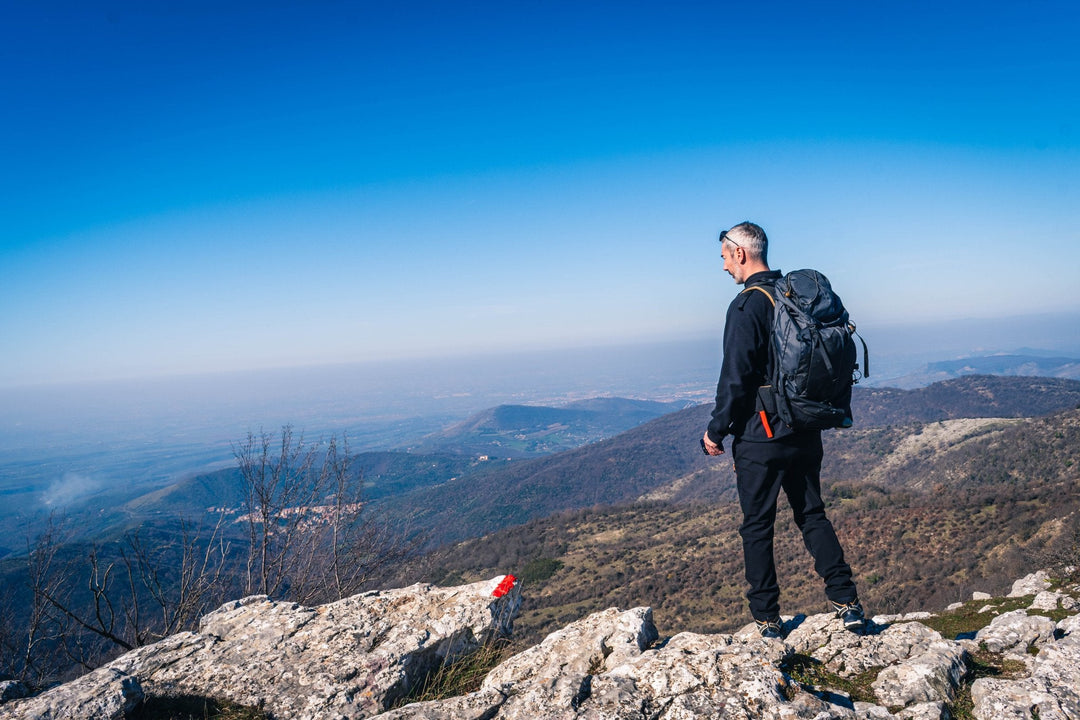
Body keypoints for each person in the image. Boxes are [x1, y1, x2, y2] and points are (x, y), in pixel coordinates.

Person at [701, 221, 865, 639]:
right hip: (807, 427)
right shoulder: (793, 297)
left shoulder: (746, 306)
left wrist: (716, 432)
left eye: (723, 256)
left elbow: (735, 379)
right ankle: (847, 602)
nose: (722, 267)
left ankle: (768, 618)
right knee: (811, 513)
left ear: (740, 253)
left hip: (763, 435)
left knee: (757, 526)